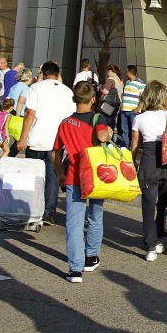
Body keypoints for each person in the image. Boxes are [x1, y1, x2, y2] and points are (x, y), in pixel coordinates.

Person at [52, 81, 112, 283]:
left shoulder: (65, 123)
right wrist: (109, 133)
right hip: (96, 176)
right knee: (95, 216)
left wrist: (60, 173)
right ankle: (91, 256)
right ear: (93, 99)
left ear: (74, 99)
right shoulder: (97, 118)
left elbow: (55, 152)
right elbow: (103, 136)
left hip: (73, 176)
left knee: (74, 223)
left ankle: (75, 269)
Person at [129, 80, 167, 262]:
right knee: (163, 203)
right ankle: (161, 239)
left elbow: (134, 146)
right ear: (163, 96)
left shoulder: (138, 118)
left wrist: (132, 165)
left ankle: (150, 245)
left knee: (148, 206)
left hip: (148, 163)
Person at [19, 61, 76, 224]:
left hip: (36, 137)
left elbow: (30, 114)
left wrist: (23, 138)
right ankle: (48, 212)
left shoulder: (36, 88)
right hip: (56, 141)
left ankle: (32, 208)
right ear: (58, 74)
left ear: (42, 73)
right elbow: (70, 118)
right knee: (52, 176)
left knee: (34, 175)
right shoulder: (67, 92)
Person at [118, 65, 145, 147]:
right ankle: (124, 147)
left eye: (126, 71)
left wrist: (138, 109)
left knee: (134, 131)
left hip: (133, 112)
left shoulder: (140, 83)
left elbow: (144, 97)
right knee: (124, 131)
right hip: (124, 111)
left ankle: (135, 148)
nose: (125, 73)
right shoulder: (127, 82)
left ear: (130, 73)